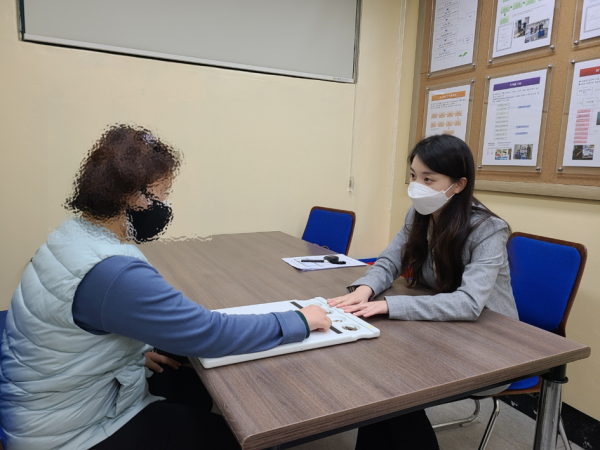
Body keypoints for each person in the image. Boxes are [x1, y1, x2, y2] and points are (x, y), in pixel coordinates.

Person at [0, 125, 332, 450]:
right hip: (73, 434)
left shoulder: (73, 234)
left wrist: (130, 350)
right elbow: (209, 333)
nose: (165, 205)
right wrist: (298, 320)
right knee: (231, 435)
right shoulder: (114, 273)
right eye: (162, 194)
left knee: (191, 386)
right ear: (131, 195)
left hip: (42, 406)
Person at [328, 134, 518, 450]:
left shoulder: (488, 229)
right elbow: (390, 259)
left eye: (428, 179)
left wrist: (389, 305)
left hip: (491, 346)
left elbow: (470, 304)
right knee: (383, 382)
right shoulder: (419, 214)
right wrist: (366, 288)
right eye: (414, 176)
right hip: (442, 329)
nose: (417, 186)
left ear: (458, 184)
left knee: (393, 388)